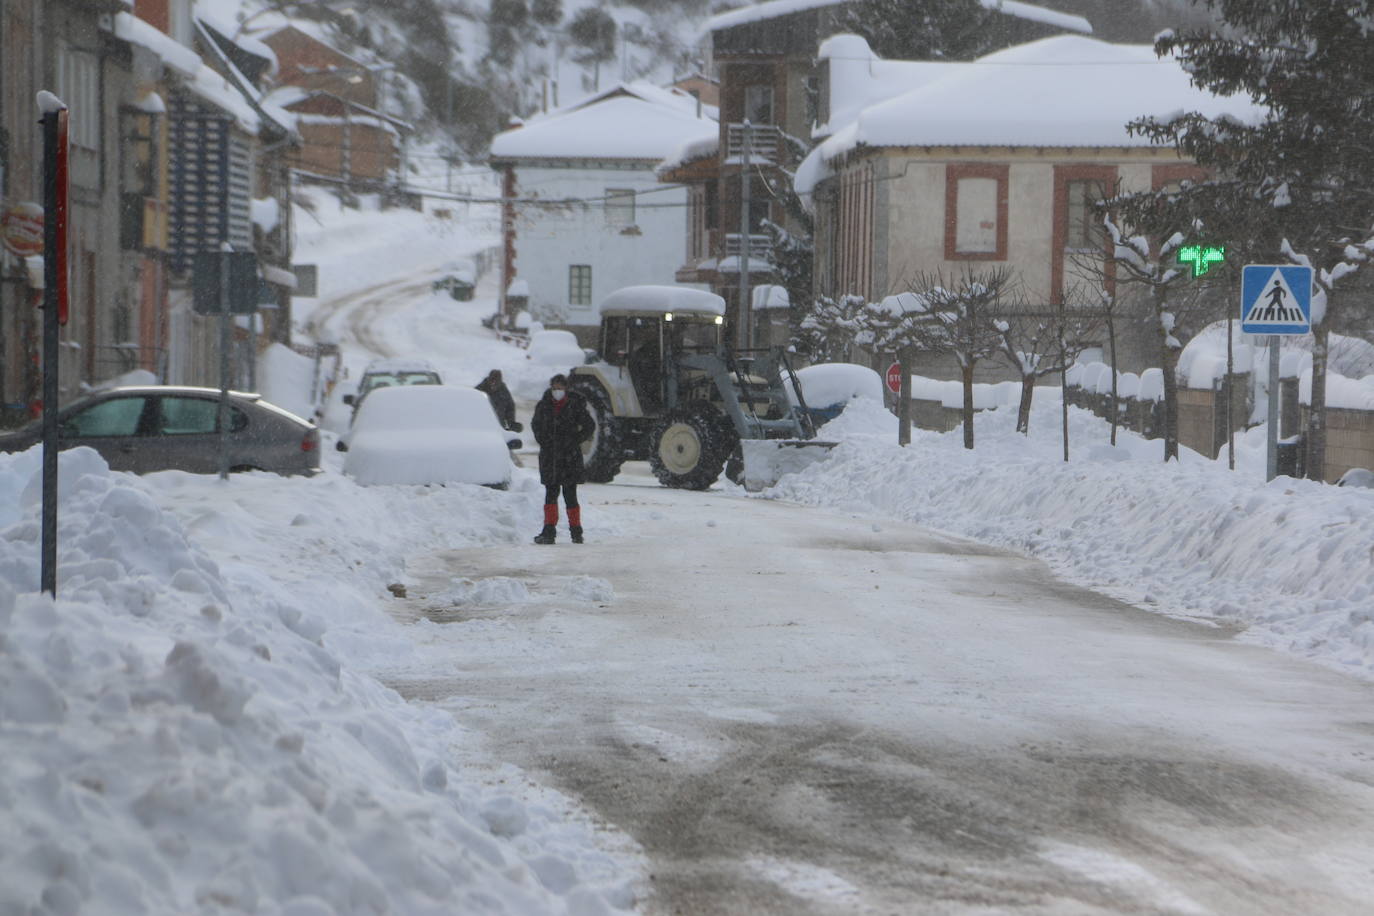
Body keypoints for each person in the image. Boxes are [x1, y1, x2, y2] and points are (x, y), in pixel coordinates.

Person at [531, 374, 595, 544]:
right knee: (550, 495)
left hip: (569, 458)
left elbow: (589, 425)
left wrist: (575, 440)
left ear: (566, 389)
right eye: (554, 388)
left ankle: (576, 532)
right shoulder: (543, 405)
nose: (557, 392)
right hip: (550, 457)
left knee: (570, 495)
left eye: (560, 388)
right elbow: (535, 425)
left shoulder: (575, 405)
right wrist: (543, 440)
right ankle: (549, 532)